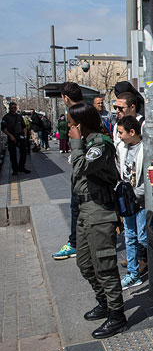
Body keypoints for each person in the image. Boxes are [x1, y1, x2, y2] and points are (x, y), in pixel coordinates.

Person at [67, 102, 126, 339]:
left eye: (71, 125)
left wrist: (75, 142)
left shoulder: (100, 144)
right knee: (85, 263)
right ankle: (104, 301)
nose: (68, 128)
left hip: (100, 211)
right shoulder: (88, 144)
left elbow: (82, 167)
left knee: (104, 265)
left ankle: (117, 315)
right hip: (85, 210)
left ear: (80, 125)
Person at [52, 82, 84, 261]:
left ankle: (74, 243)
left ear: (65, 97)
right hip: (82, 162)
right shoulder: (85, 110)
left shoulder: (75, 113)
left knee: (76, 206)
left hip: (83, 166)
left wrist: (77, 155)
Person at [115, 116, 147, 289]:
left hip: (141, 201)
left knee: (143, 236)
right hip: (127, 200)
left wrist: (138, 195)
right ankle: (133, 273)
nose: (119, 136)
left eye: (121, 132)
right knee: (129, 237)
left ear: (132, 132)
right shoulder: (121, 148)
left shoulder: (146, 149)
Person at [1, 102, 30, 175]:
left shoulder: (19, 117)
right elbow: (3, 128)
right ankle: (15, 170)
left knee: (24, 152)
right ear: (9, 108)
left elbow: (24, 127)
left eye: (15, 108)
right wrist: (10, 135)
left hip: (20, 136)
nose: (13, 109)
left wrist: (25, 136)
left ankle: (21, 167)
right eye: (12, 108)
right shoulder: (6, 117)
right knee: (12, 154)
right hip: (12, 137)